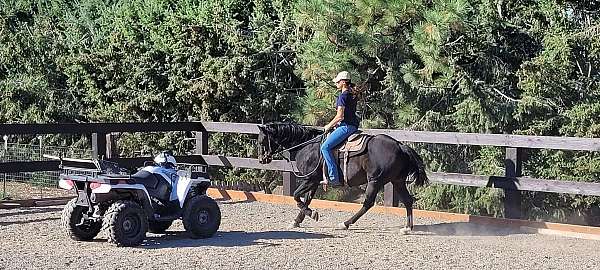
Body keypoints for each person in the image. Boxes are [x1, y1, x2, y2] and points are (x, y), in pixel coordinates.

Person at [320, 71, 360, 186]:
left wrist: (328, 126)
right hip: (353, 126)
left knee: (325, 147)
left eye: (338, 81)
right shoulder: (352, 94)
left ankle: (333, 178)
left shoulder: (342, 96)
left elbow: (340, 116)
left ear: (343, 82)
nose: (336, 83)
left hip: (346, 127)